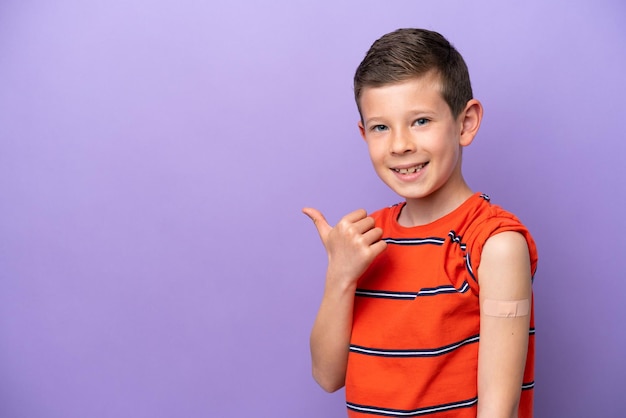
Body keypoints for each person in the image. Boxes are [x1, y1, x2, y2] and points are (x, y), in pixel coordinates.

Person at [303, 28, 538, 418]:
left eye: (421, 121)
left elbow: (500, 411)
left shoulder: (494, 244)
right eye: (381, 127)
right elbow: (327, 376)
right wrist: (340, 275)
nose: (399, 145)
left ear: (466, 123)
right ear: (364, 134)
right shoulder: (366, 240)